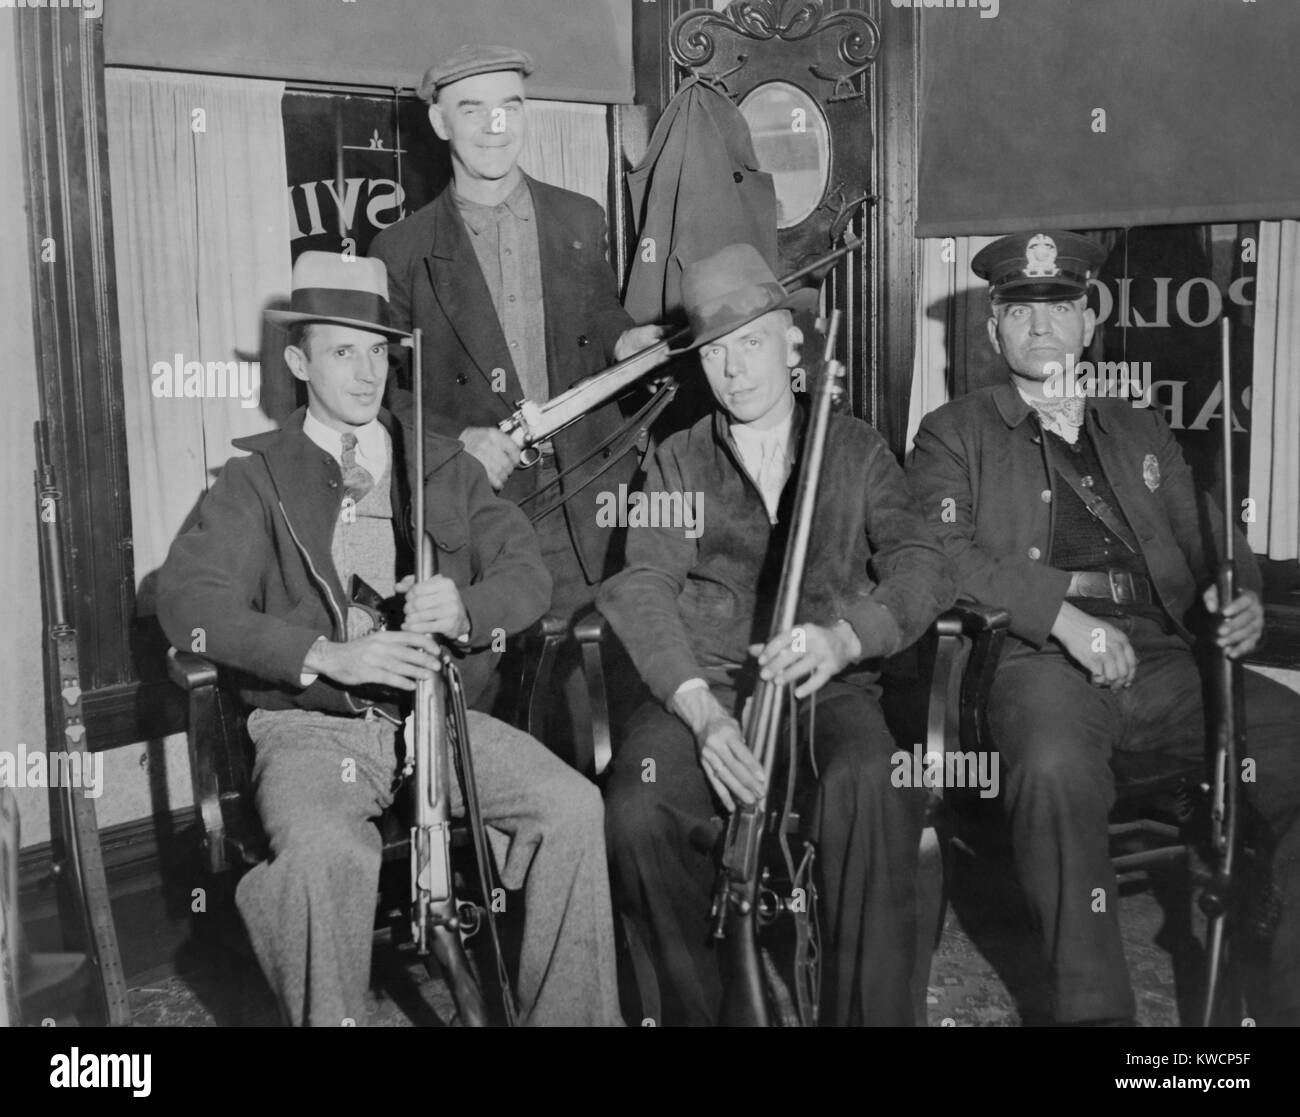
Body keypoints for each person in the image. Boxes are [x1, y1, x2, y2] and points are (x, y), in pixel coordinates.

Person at [156, 252, 621, 1027]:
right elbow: (186, 601)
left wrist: (462, 606)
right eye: (344, 351)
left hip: (443, 721)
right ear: (299, 360)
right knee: (323, 863)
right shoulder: (255, 481)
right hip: (314, 730)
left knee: (571, 808)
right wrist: (324, 656)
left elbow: (525, 571)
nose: (368, 373)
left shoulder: (440, 461)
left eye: (380, 351)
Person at [906, 230, 1300, 1026]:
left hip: (1163, 658)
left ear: (1089, 321)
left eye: (1059, 307)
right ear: (993, 331)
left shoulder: (1139, 425)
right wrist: (1064, 618)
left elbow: (1209, 536)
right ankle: (1098, 1018)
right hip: (1032, 661)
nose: (1041, 326)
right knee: (1053, 768)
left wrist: (1241, 590)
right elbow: (940, 551)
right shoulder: (954, 432)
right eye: (1020, 310)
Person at [597, 244, 956, 1026]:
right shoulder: (676, 460)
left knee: (871, 779)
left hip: (823, 687)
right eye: (716, 352)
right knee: (638, 802)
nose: (735, 369)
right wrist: (699, 706)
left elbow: (923, 565)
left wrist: (848, 639)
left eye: (751, 342)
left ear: (792, 342)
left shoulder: (856, 449)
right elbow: (643, 583)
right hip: (710, 687)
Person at [370, 44, 664, 618]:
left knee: (596, 678)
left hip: (590, 481)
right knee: (490, 682)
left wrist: (626, 342)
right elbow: (383, 393)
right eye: (473, 108)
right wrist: (455, 444)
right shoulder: (400, 250)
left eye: (511, 106)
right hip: (483, 499)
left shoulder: (579, 217)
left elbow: (599, 311)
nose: (496, 126)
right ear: (439, 121)